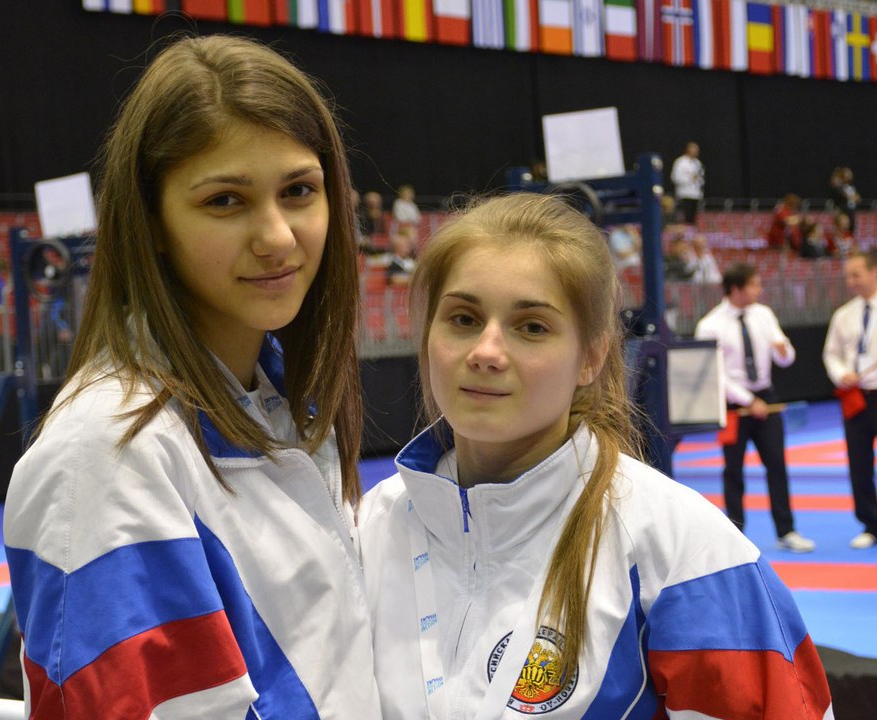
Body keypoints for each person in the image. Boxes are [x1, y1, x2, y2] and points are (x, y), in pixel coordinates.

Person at [2, 35, 380, 718]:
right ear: (150, 223)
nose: (277, 237)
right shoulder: (110, 454)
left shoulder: (287, 404)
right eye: (226, 201)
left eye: (299, 190)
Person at [359, 194, 832, 719]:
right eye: (463, 318)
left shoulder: (684, 551)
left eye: (531, 327)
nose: (486, 352)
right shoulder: (371, 527)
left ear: (591, 356)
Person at [694, 263, 815, 552]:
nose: (759, 290)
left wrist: (784, 351)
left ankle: (786, 530)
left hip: (766, 395)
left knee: (777, 465)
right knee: (733, 470)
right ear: (736, 289)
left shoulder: (764, 314)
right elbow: (715, 375)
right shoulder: (710, 325)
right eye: (754, 285)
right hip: (733, 404)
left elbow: (785, 357)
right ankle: (735, 535)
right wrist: (748, 401)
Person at [822, 250, 877, 549]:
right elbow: (831, 354)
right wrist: (841, 374)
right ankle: (870, 523)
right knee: (859, 461)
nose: (851, 281)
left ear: (874, 272)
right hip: (855, 396)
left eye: (857, 274)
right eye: (848, 276)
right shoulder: (843, 315)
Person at [670, 141, 704, 225]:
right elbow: (675, 177)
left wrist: (698, 180)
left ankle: (691, 230)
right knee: (684, 217)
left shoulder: (697, 163)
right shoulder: (680, 162)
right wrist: (689, 179)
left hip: (695, 194)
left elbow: (700, 177)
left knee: (692, 218)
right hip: (684, 194)